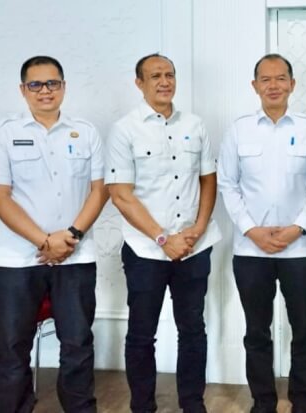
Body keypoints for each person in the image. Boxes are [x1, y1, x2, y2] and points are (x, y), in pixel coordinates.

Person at [0, 55, 107, 412]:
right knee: (11, 349)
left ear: (64, 87)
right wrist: (44, 241)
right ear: (23, 90)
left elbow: (100, 190)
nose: (45, 90)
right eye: (35, 84)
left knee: (78, 345)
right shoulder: (4, 133)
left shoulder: (86, 132)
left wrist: (71, 236)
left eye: (52, 83)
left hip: (76, 257)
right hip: (17, 260)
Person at [106, 53, 221, 413]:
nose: (164, 81)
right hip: (146, 250)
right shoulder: (125, 129)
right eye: (155, 76)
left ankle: (193, 405)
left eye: (169, 74)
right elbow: (120, 194)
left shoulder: (195, 124)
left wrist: (198, 229)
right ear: (139, 83)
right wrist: (162, 238)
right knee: (142, 334)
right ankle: (143, 406)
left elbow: (208, 180)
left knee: (193, 330)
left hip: (193, 247)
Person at [217, 53, 306, 413]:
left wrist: (297, 228)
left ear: (292, 84)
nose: (274, 85)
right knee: (256, 331)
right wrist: (252, 231)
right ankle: (262, 402)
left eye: (281, 78)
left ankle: (302, 402)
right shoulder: (239, 130)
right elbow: (227, 185)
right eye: (266, 79)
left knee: (303, 330)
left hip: (300, 249)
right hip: (251, 250)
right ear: (255, 86)